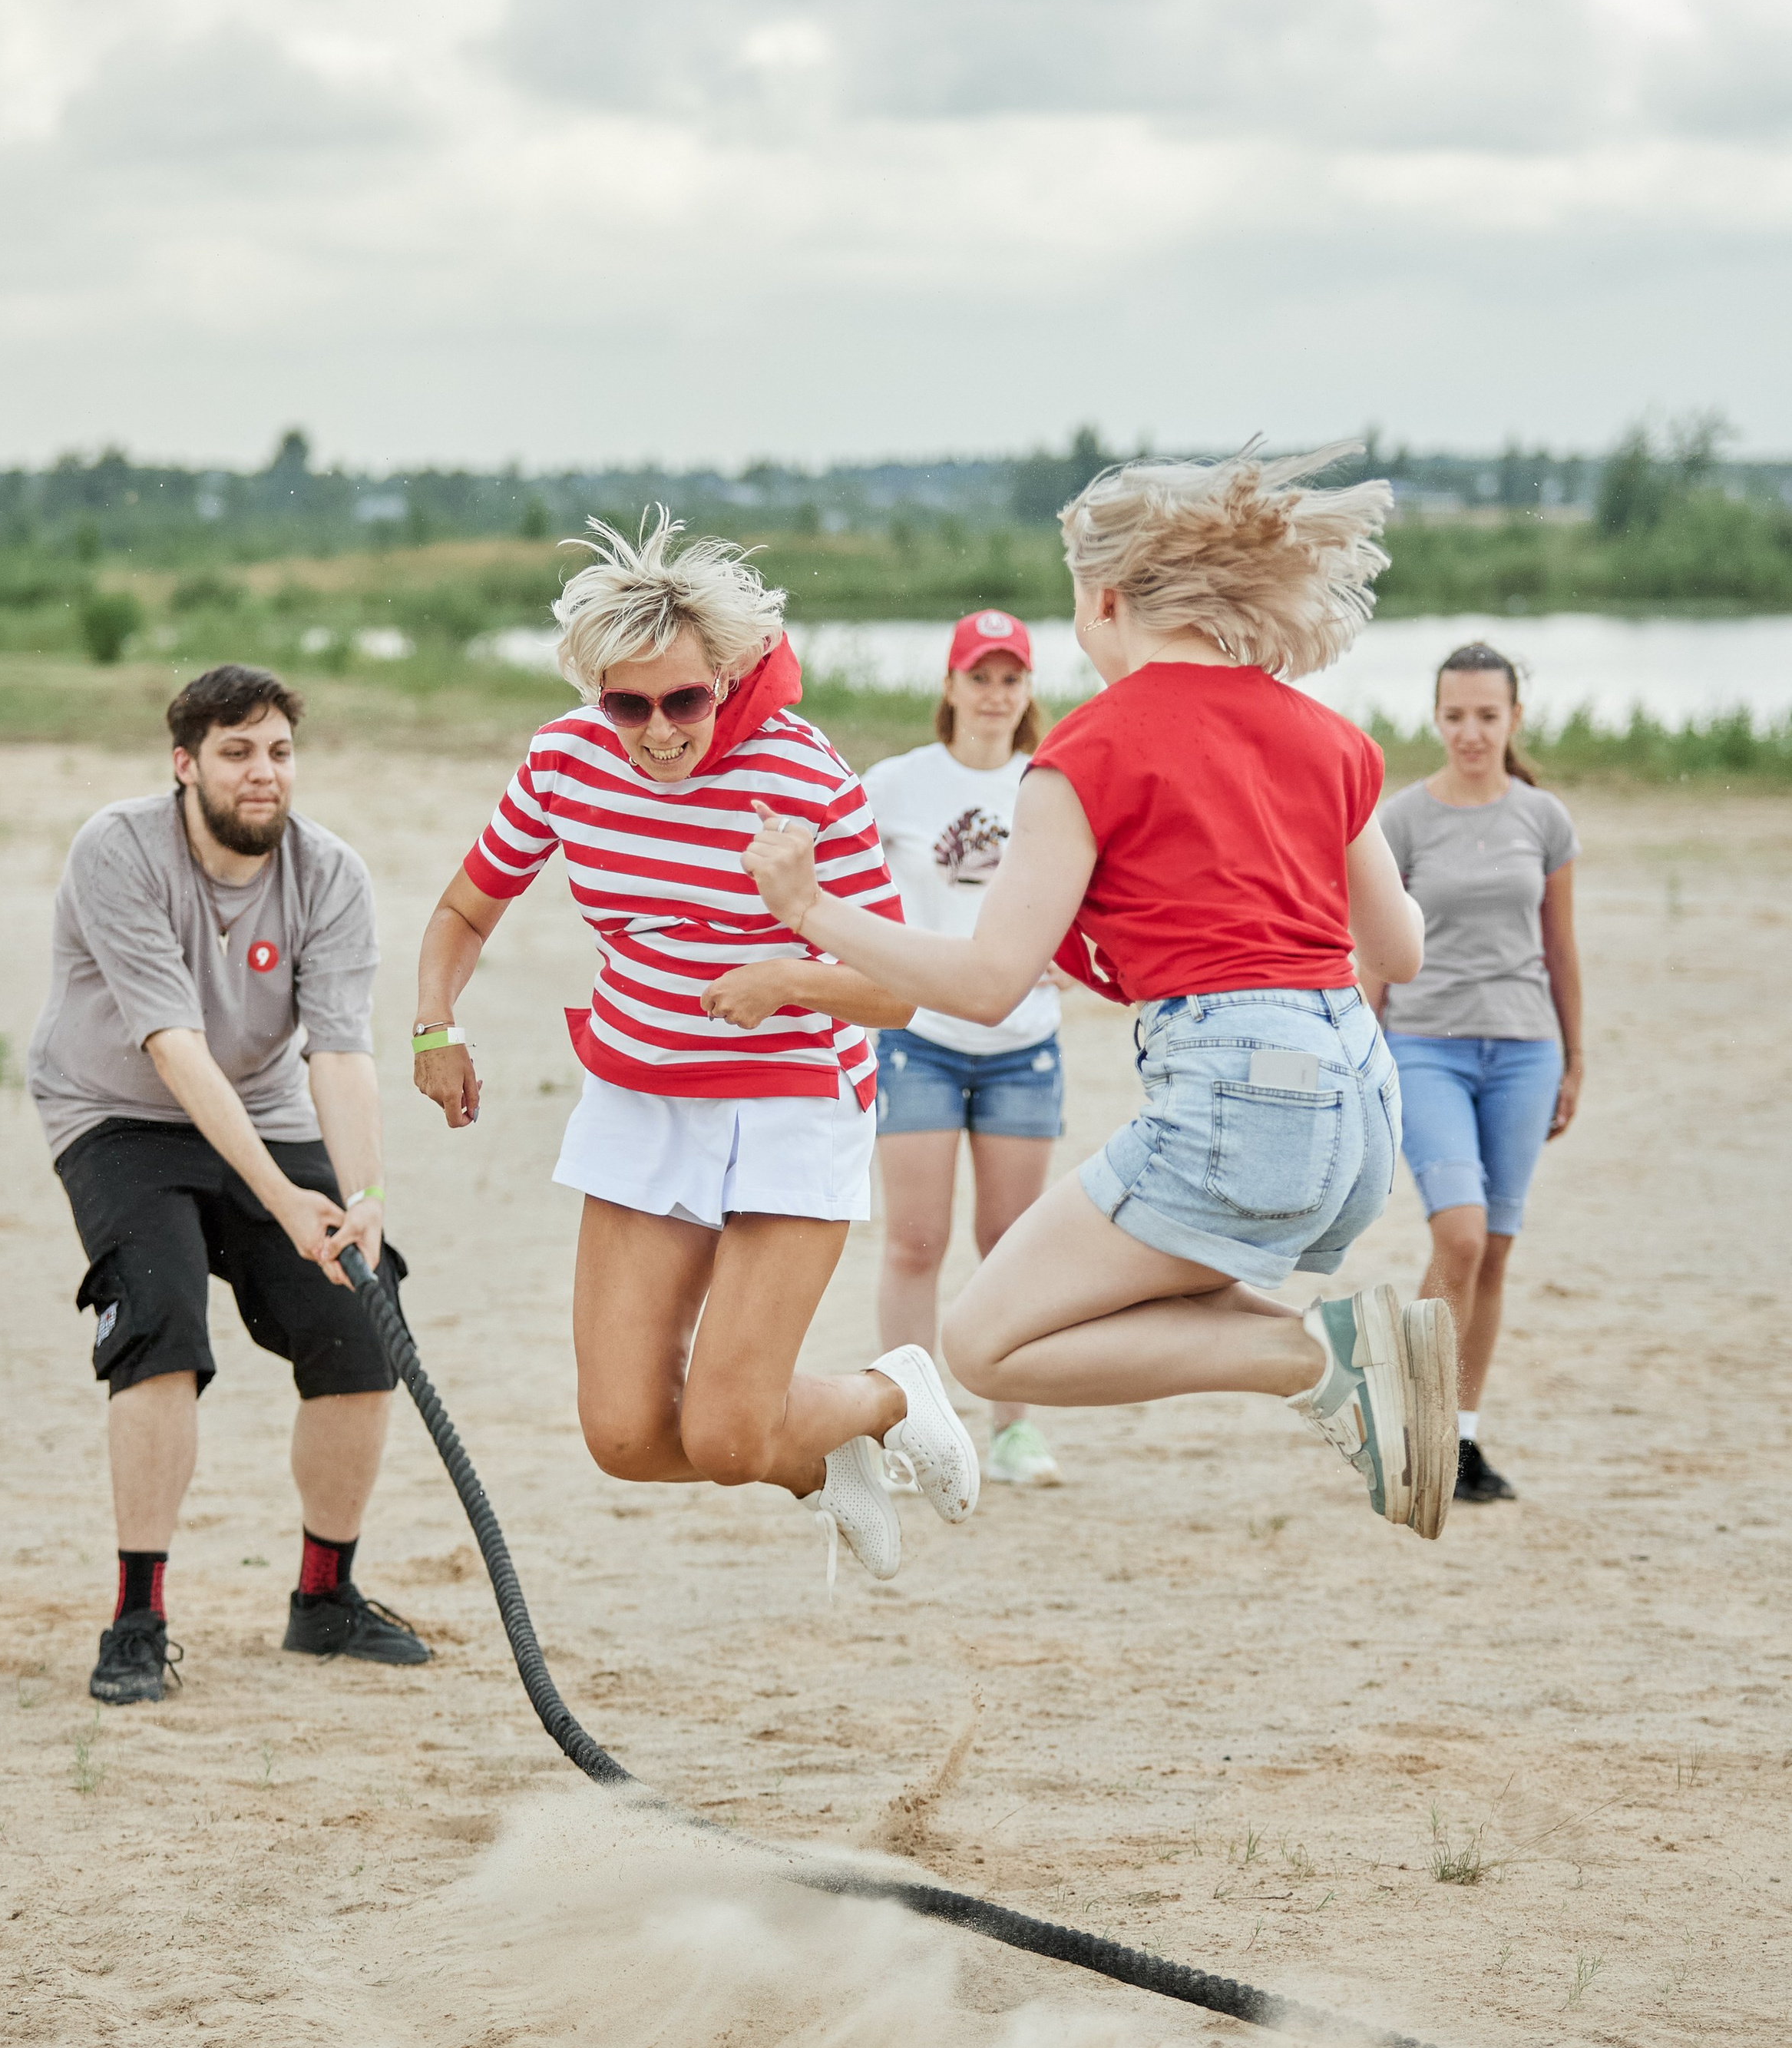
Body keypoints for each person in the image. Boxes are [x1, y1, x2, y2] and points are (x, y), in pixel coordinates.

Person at [742, 447, 1462, 1543]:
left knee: (987, 1343)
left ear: (1108, 596)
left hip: (1239, 1096)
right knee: (1126, 1291)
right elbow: (1398, 949)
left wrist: (810, 913)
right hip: (1363, 1103)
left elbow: (987, 985)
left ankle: (1321, 1356)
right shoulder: (1328, 735)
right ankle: (1334, 1360)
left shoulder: (1086, 752)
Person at [412, 514, 979, 1582]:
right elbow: (463, 912)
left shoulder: (803, 777)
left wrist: (789, 977)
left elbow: (905, 993)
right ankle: (820, 1460)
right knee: (624, 1439)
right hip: (644, 1100)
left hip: (792, 1102)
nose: (659, 730)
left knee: (724, 1435)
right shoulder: (565, 762)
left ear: (728, 676)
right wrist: (436, 1023)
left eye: (684, 700)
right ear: (597, 695)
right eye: (628, 703)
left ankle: (890, 1394)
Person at [28, 663, 425, 1707]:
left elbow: (339, 1054)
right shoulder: (118, 848)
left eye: (280, 752)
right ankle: (138, 1619)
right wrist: (283, 1198)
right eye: (238, 751)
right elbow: (171, 1044)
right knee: (159, 1322)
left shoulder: (331, 873)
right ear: (185, 764)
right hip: (120, 1112)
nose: (264, 773)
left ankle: (324, 1598)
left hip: (266, 1108)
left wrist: (363, 1195)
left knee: (363, 1312)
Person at [1370, 642, 1582, 1505]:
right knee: (1456, 1234)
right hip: (1426, 1048)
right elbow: (1375, 955)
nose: (1469, 732)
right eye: (1454, 716)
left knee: (1492, 1252)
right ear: (1436, 717)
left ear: (1513, 719)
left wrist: (1574, 1061)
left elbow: (1560, 949)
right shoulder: (1401, 821)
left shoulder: (1546, 820)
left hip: (1525, 1051)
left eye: (1486, 716)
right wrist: (1370, 1055)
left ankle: (1457, 1443)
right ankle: (1402, 1424)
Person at [863, 609, 1066, 1490]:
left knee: (1010, 1241)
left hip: (1024, 1043)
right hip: (919, 1040)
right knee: (914, 1241)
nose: (994, 694)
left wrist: (1075, 955)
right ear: (949, 687)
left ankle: (1016, 1430)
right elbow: (850, 887)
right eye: (978, 677)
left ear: (1028, 692)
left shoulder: (1054, 783)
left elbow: (1096, 886)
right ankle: (914, 1426)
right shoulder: (897, 784)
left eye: (1009, 678)